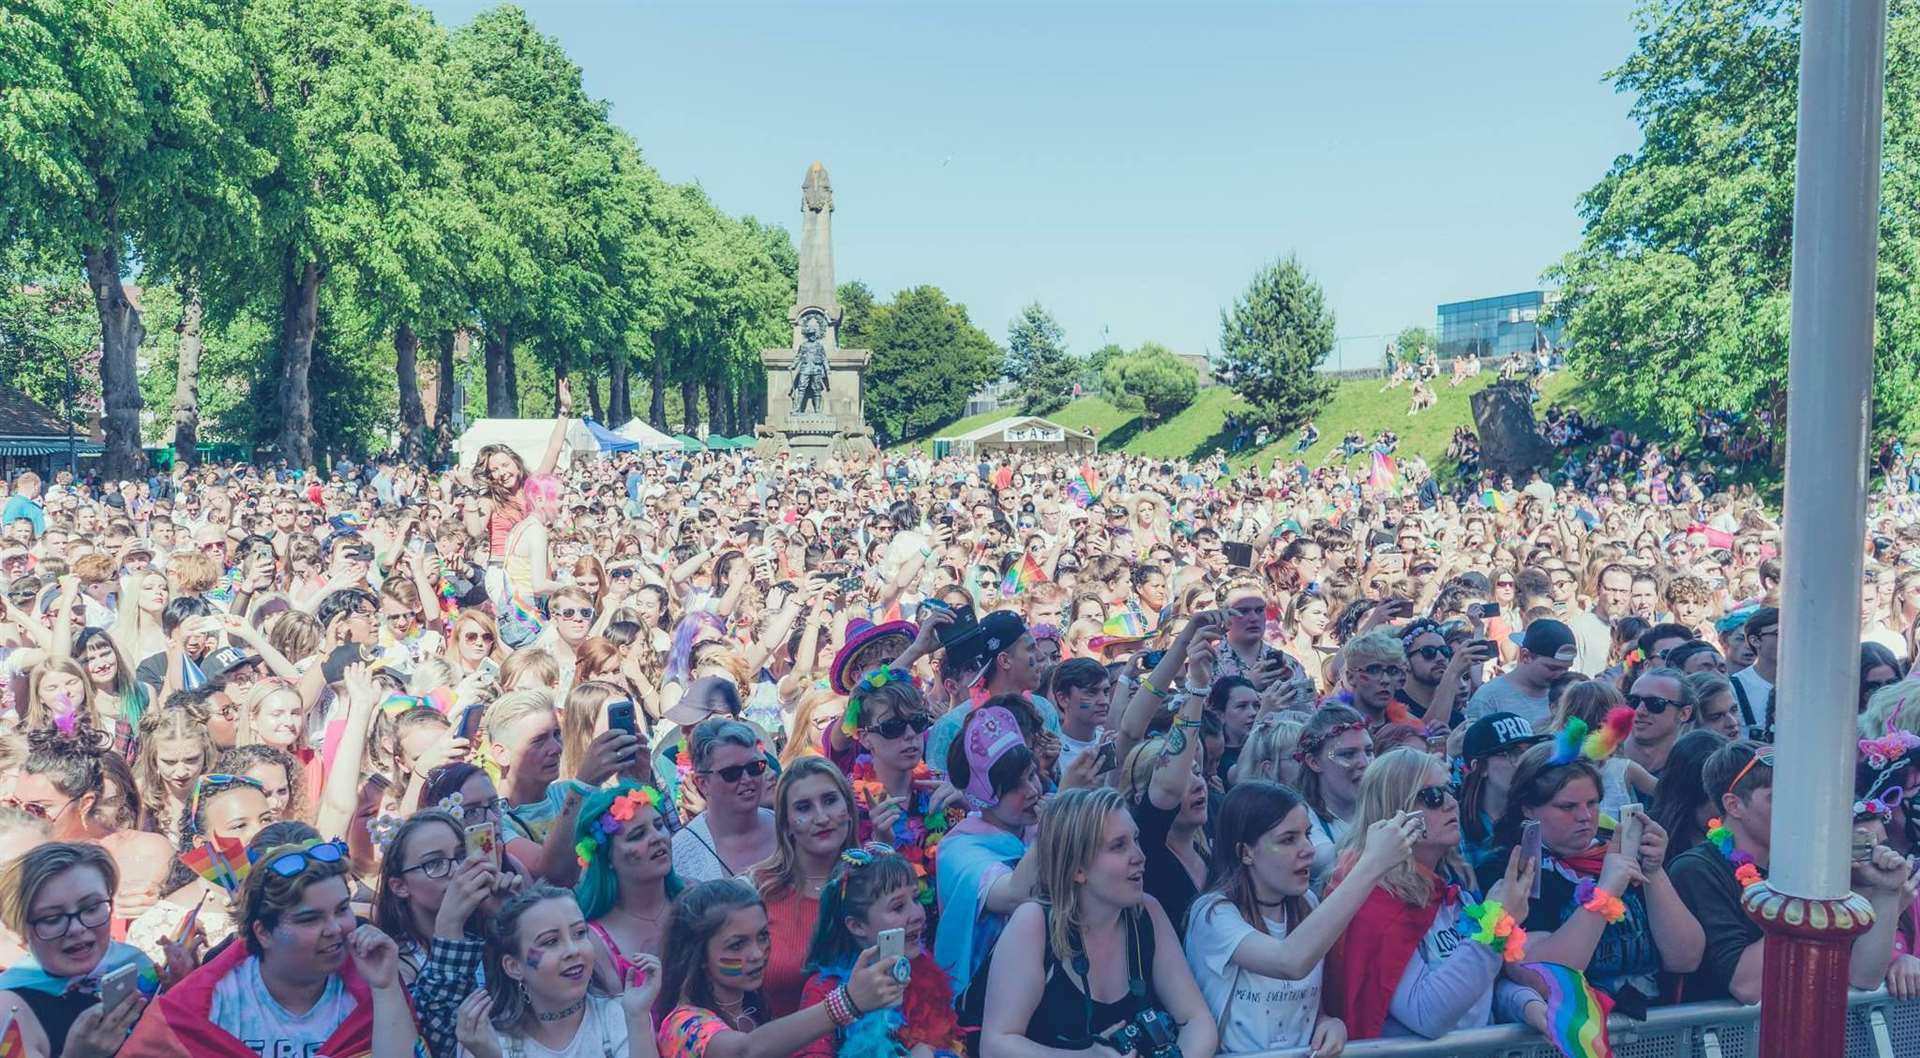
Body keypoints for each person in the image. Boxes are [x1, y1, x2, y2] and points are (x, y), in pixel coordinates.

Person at [122, 837, 420, 1058]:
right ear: (262, 932)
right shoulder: (203, 1004)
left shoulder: (372, 985)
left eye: (342, 909)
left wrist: (385, 987)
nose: (335, 929)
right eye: (310, 919)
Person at [1323, 748, 1548, 1040]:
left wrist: (1526, 1004)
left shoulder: (1451, 892)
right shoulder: (1374, 901)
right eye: (1433, 796)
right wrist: (1496, 923)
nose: (1452, 804)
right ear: (1395, 809)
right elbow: (1428, 1014)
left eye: (1450, 789)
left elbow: (1479, 988)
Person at [977, 787, 1217, 1058]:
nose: (1139, 855)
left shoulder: (1147, 912)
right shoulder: (1033, 923)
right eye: (1119, 846)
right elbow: (996, 1045)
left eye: (1136, 840)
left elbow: (1198, 1020)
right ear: (1078, 869)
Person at [1185, 781, 1419, 1056]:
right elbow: (1290, 962)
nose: (1308, 848)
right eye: (1288, 839)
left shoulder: (1306, 902)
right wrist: (1371, 865)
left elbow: (1304, 1002)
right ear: (1246, 852)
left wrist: (1329, 1023)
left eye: (1307, 834)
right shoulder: (1213, 914)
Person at [1666, 742, 1913, 1002]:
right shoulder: (1696, 869)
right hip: (1727, 1039)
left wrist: (1887, 893)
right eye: (1779, 797)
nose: (1797, 809)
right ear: (1734, 805)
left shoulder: (1802, 865)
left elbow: (1864, 978)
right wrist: (1808, 890)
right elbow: (1746, 987)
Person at [1482, 742, 1703, 1000]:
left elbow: (1686, 958)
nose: (1585, 816)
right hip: (1572, 1032)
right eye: (1567, 807)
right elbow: (1545, 978)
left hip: (1655, 1028)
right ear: (1528, 808)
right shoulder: (1510, 868)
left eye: (1593, 803)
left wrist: (1654, 871)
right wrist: (1605, 893)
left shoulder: (1619, 849)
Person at [653, 877, 905, 1058]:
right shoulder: (683, 1023)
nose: (756, 954)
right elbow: (745, 1051)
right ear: (699, 956)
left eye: (762, 936)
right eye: (736, 945)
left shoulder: (752, 1007)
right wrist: (848, 1002)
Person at [453, 884, 662, 1058]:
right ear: (514, 966)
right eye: (551, 941)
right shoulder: (490, 1042)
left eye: (580, 933)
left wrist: (638, 1017)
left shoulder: (619, 1016)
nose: (573, 950)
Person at [795, 844, 963, 1058]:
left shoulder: (923, 971)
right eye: (898, 907)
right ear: (857, 926)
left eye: (916, 899)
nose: (918, 914)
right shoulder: (825, 991)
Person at [0, 842, 159, 1058]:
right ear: (18, 932)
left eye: (92, 908)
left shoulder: (133, 963)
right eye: (52, 918)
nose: (77, 928)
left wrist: (180, 986)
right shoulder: (8, 1010)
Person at [934, 705, 1043, 1001]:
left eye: (1032, 775)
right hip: (987, 1005)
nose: (1032, 790)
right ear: (983, 796)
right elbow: (1015, 896)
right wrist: (1055, 832)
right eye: (1014, 786)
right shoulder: (959, 850)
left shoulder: (1036, 823)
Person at [745, 757, 858, 1017]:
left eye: (830, 800)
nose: (821, 817)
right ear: (785, 824)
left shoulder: (875, 879)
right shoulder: (755, 891)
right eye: (804, 808)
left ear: (849, 809)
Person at [576, 782, 682, 995]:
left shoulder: (694, 899)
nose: (657, 838)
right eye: (637, 835)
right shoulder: (594, 940)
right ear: (607, 858)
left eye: (659, 825)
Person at [673, 719, 777, 883]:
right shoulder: (681, 854)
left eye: (754, 767)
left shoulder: (787, 827)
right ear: (703, 783)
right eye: (731, 773)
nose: (747, 778)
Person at [1293, 705, 1372, 889]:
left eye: (1368, 751)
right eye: (1348, 754)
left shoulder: (1385, 804)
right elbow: (1322, 862)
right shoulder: (1301, 817)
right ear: (1314, 762)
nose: (1365, 763)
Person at [1456, 712, 1549, 869]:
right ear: (1480, 767)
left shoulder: (1546, 811)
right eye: (1513, 753)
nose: (1524, 762)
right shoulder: (1455, 823)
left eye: (1530, 752)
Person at [1466, 619, 1578, 728]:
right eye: (1553, 668)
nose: (1561, 675)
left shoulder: (1568, 694)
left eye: (1566, 668)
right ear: (1525, 656)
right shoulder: (1488, 698)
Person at [1727, 607, 1777, 739]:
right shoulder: (1735, 687)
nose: (1788, 640)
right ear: (1755, 641)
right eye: (1778, 633)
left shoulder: (1804, 685)